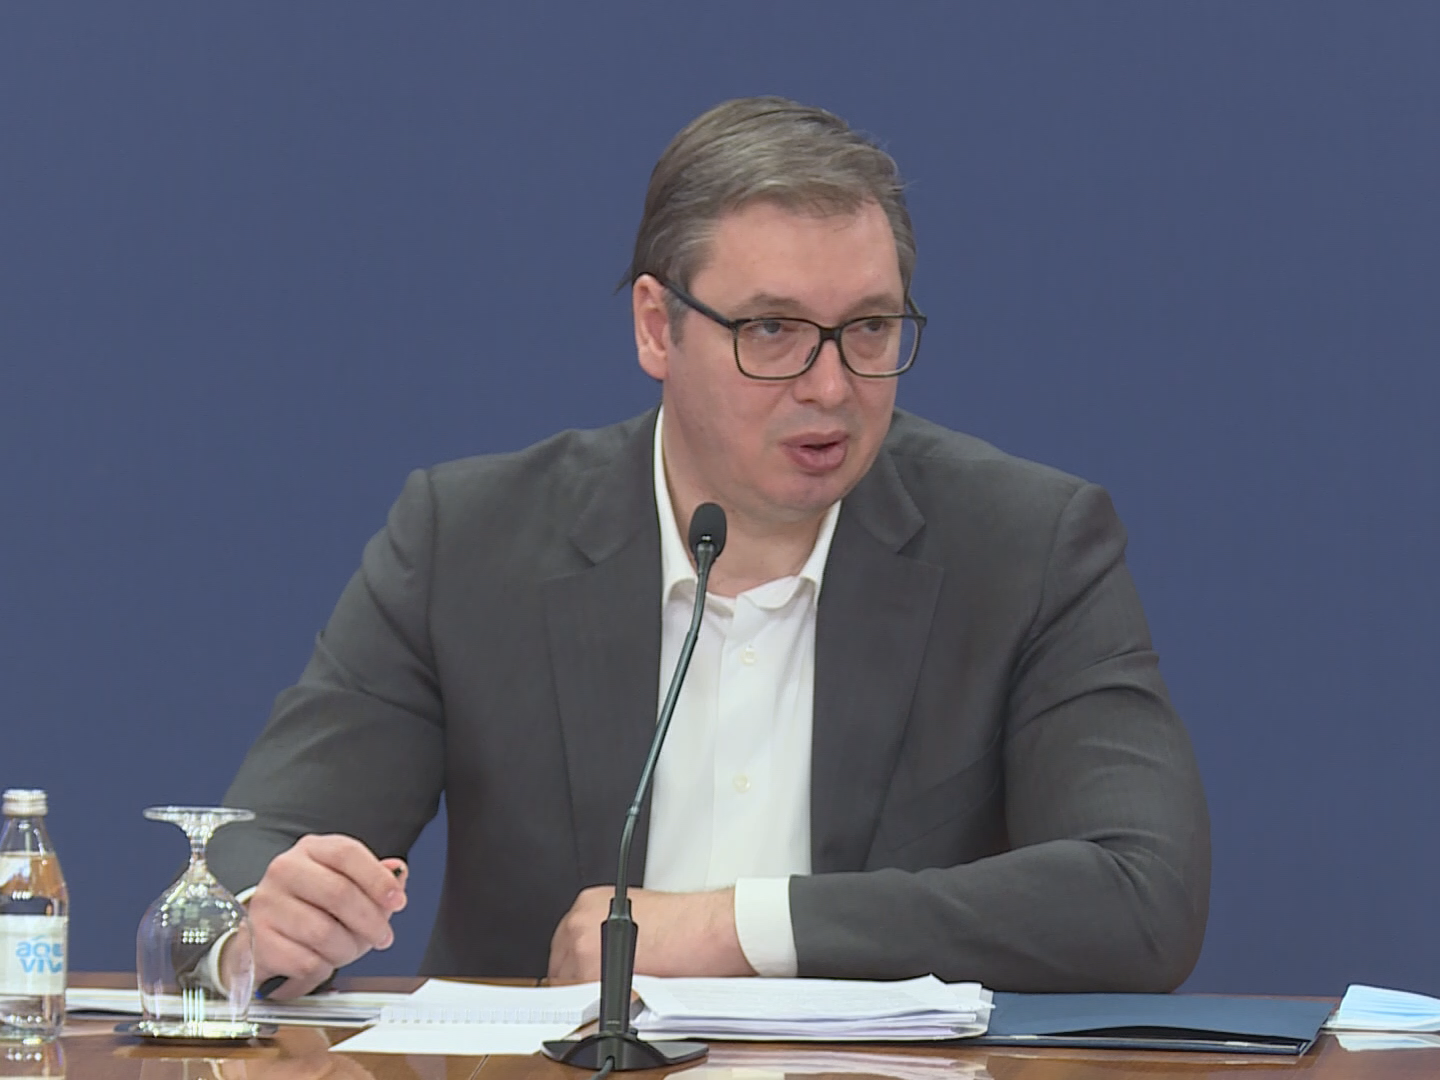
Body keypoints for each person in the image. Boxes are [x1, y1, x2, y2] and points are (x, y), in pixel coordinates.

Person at [207, 96, 1210, 999]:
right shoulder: (468, 541)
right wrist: (267, 921)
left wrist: (738, 929)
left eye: (869, 328)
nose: (831, 386)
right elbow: (250, 854)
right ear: (657, 328)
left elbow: (1142, 894)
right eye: (772, 330)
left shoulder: (1026, 546)